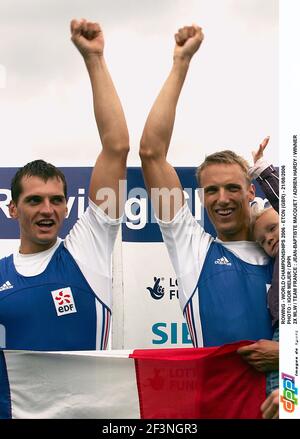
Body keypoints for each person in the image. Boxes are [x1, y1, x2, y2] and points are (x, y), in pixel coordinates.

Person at [139, 25, 273, 347]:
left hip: (284, 398)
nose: (222, 199)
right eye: (211, 191)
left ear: (251, 192)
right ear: (201, 197)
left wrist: (284, 355)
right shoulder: (193, 249)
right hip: (216, 398)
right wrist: (180, 63)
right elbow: (151, 153)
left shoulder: (282, 247)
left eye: (232, 188)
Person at [0, 19, 129, 351]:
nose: (47, 209)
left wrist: (95, 59)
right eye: (34, 200)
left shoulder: (87, 250)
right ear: (12, 209)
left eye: (57, 200)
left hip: (89, 406)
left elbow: (116, 147)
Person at [237, 137, 279, 396]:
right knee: (283, 404)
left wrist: (262, 169)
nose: (270, 238)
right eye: (262, 241)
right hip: (277, 336)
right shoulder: (275, 265)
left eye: (274, 228)